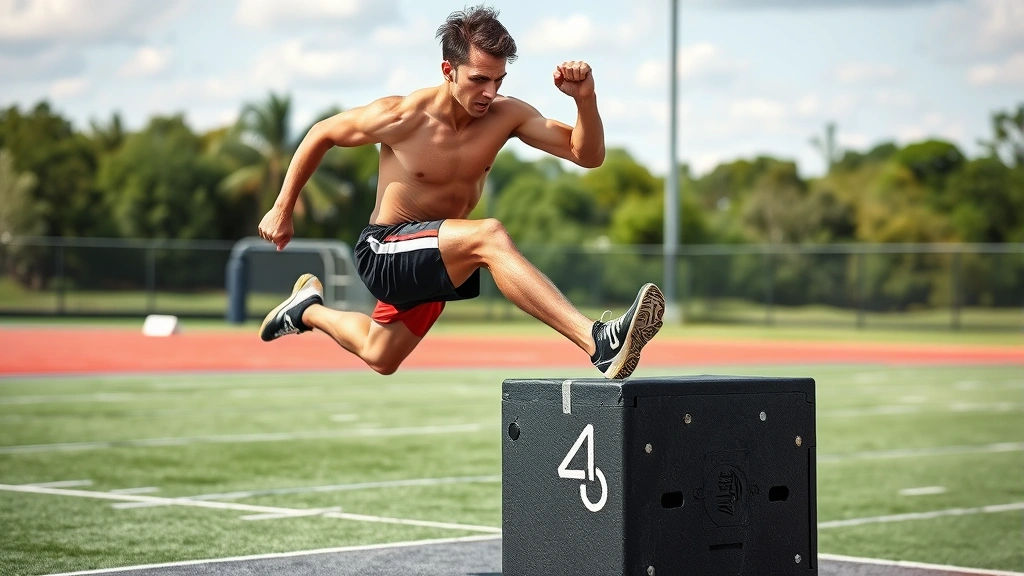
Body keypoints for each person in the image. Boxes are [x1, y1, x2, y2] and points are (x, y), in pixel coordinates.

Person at [257, 5, 664, 379]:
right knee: (489, 236)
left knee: (380, 355)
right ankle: (599, 341)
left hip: (441, 254)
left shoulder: (507, 115)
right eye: (479, 79)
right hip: (385, 250)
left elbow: (586, 155)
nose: (489, 92)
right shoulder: (402, 116)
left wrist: (585, 101)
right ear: (448, 69)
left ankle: (306, 311)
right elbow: (321, 133)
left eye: (498, 79)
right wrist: (282, 207)